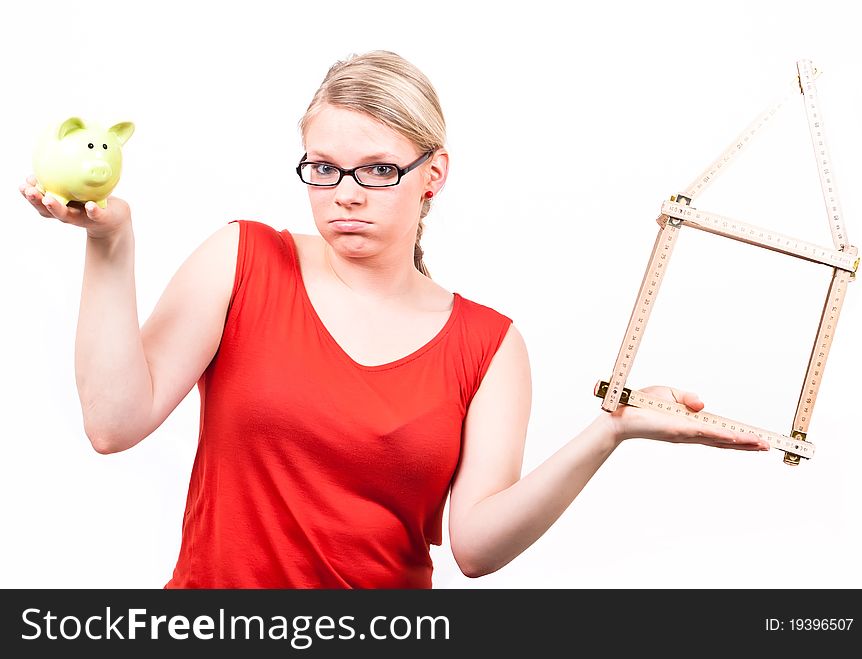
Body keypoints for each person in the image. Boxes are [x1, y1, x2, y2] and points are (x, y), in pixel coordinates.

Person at [19, 50, 769, 589]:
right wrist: (111, 242)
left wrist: (612, 430)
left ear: (432, 174)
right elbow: (113, 424)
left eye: (378, 170)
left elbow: (475, 547)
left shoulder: (490, 345)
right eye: (323, 168)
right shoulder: (244, 260)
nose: (345, 194)